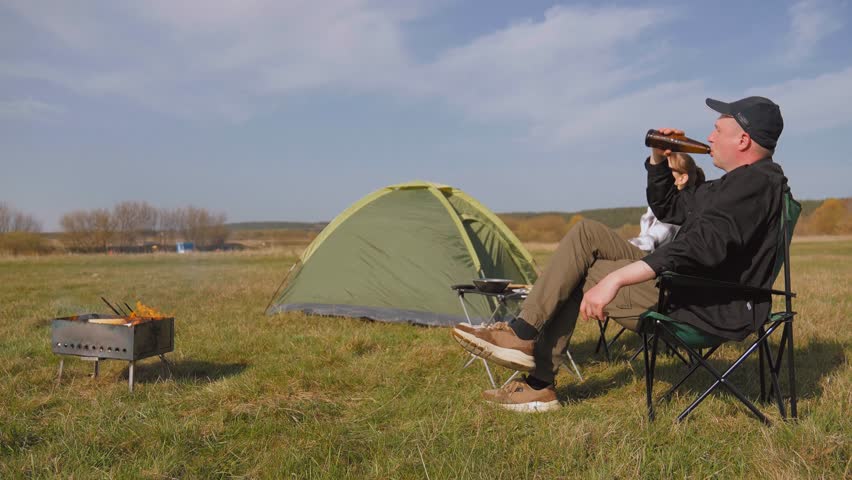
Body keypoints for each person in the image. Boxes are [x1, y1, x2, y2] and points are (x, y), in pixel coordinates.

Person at [453, 96, 787, 412]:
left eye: (718, 130)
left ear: (743, 140)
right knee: (587, 233)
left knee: (586, 271)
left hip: (704, 306)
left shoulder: (753, 185)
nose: (710, 137)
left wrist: (616, 278)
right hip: (692, 289)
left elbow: (699, 247)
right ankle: (523, 335)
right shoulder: (738, 183)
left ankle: (537, 375)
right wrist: (658, 158)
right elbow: (669, 207)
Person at [628, 153, 705, 252]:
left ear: (681, 179)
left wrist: (623, 246)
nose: (661, 172)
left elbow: (649, 241)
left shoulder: (674, 218)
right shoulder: (660, 208)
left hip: (648, 260)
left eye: (667, 169)